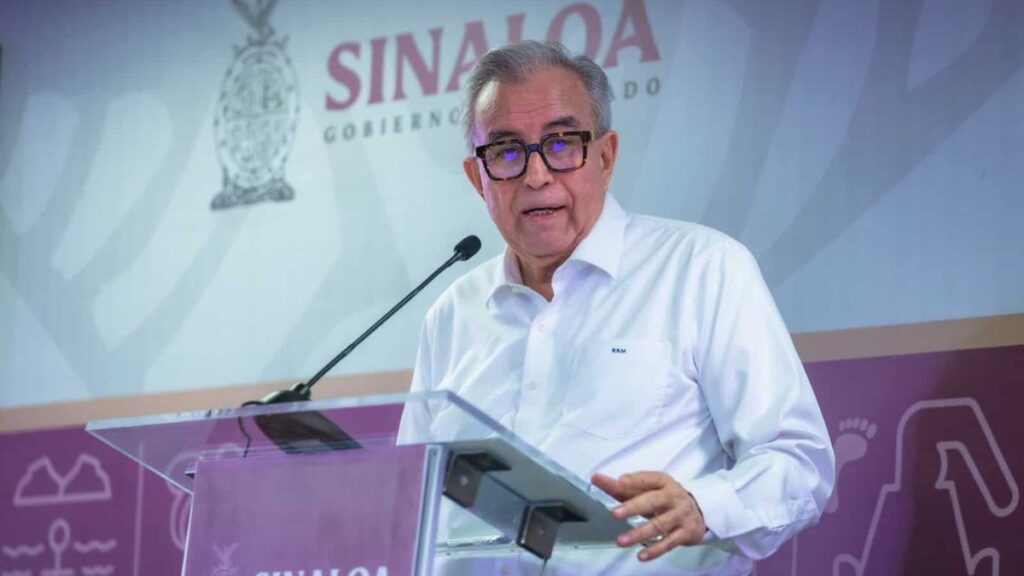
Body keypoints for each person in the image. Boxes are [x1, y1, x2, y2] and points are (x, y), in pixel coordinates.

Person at [399, 40, 834, 575]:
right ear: (477, 178)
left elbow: (798, 463)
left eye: (561, 144)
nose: (536, 175)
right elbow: (408, 502)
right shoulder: (451, 314)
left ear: (605, 157)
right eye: (507, 152)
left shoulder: (702, 268)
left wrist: (704, 506)